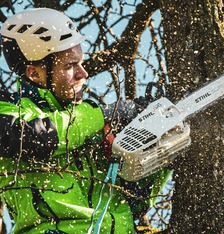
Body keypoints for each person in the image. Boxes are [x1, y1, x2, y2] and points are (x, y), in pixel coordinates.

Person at [0, 8, 171, 233]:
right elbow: (33, 137)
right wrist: (106, 113)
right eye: (70, 66)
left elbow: (130, 203)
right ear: (34, 73)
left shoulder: (86, 124)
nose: (83, 74)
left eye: (80, 63)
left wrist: (158, 155)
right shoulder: (10, 114)